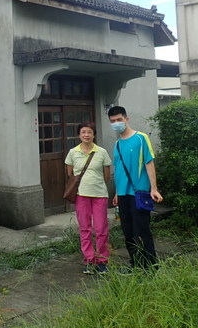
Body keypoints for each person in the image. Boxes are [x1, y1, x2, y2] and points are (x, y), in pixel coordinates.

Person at [108, 106, 163, 271]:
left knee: (142, 230)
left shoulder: (141, 138)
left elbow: (149, 162)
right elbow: (118, 170)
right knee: (128, 232)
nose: (116, 123)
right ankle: (135, 264)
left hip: (139, 193)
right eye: (112, 121)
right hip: (123, 195)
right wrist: (117, 192)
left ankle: (151, 266)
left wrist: (153, 188)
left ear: (126, 119)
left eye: (119, 119)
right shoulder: (117, 144)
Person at [65, 121, 112, 275]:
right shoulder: (73, 152)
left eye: (89, 132)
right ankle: (89, 260)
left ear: (94, 134)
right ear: (79, 134)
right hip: (81, 195)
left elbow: (106, 175)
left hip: (99, 195)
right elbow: (70, 174)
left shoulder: (102, 152)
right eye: (83, 132)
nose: (86, 135)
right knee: (85, 229)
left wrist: (95, 183)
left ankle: (102, 260)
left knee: (101, 229)